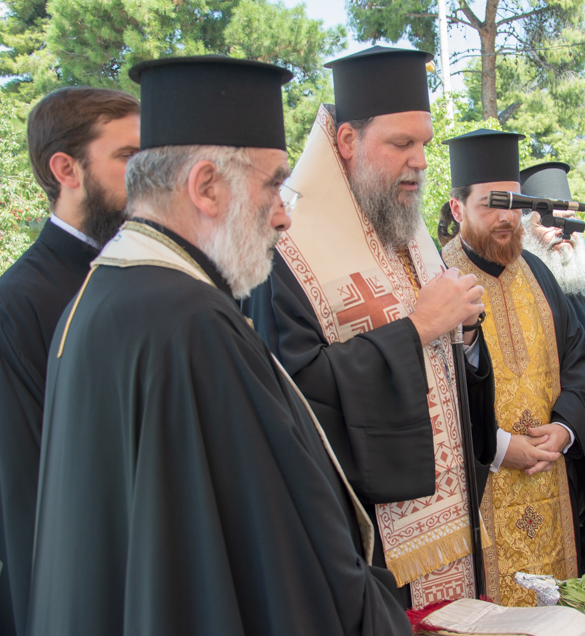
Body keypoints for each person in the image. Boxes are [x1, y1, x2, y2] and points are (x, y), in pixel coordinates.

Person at [27, 56, 410, 636]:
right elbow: (287, 556)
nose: (283, 217)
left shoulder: (100, 296)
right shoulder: (193, 323)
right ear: (205, 186)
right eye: (273, 184)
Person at [243, 47, 495, 609]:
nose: (421, 161)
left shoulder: (404, 226)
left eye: (425, 143)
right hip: (365, 538)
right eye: (401, 144)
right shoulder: (286, 245)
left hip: (452, 524)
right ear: (348, 142)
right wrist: (419, 327)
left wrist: (465, 334)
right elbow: (293, 390)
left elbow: (447, 365)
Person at [0, 86, 139, 636]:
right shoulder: (16, 306)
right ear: (66, 168)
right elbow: (23, 493)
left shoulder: (140, 273)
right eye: (127, 158)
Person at [437, 129, 585, 606]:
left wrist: (565, 427)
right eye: (490, 204)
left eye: (514, 202)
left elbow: (575, 362)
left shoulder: (541, 272)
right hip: (479, 485)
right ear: (457, 207)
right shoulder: (434, 278)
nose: (507, 217)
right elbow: (435, 387)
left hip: (550, 479)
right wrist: (501, 446)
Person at [518, 161, 585, 575]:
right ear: (522, 225)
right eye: (549, 220)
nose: (562, 232)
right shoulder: (521, 288)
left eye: (572, 224)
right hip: (547, 451)